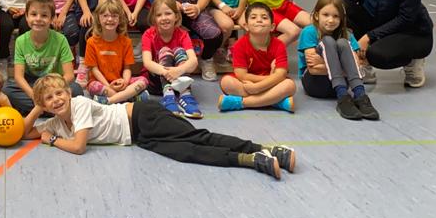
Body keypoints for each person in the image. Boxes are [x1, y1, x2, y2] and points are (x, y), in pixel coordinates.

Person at [23, 74, 295, 179]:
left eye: (59, 93)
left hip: (143, 117)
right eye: (49, 99)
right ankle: (252, 160)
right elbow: (25, 132)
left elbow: (79, 147)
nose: (56, 100)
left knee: (199, 138)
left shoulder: (79, 104)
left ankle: (269, 149)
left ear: (68, 93)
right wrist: (37, 107)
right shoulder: (56, 122)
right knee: (187, 153)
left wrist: (52, 141)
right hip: (140, 138)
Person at [298, 0, 379, 120]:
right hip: (315, 84)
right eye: (326, 15)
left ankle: (360, 96)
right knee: (328, 41)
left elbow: (357, 66)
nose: (331, 20)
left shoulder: (347, 34)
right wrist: (345, 65)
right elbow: (313, 69)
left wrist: (323, 61)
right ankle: (342, 98)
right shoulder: (309, 32)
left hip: (342, 86)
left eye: (336, 16)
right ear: (317, 15)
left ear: (341, 18)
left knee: (342, 42)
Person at [5, 0, 82, 115]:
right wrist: (34, 96)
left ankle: (42, 108)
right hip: (33, 84)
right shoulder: (20, 41)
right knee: (7, 90)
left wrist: (51, 92)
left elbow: (69, 75)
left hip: (55, 83)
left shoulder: (60, 39)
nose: (38, 19)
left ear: (52, 19)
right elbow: (18, 77)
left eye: (44, 15)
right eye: (33, 14)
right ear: (26, 17)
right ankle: (54, 108)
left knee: (76, 90)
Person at [218, 1, 297, 112]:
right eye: (253, 17)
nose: (259, 20)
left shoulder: (279, 45)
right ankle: (275, 101)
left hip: (270, 82)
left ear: (272, 27)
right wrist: (261, 84)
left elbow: (281, 74)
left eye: (264, 17)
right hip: (252, 81)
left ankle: (242, 103)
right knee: (227, 82)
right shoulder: (239, 45)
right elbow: (241, 75)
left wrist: (257, 87)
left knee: (289, 85)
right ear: (246, 26)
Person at [139, 0, 202, 119]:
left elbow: (193, 61)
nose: (164, 18)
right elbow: (147, 62)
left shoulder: (183, 34)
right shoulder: (149, 34)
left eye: (168, 13)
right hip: (157, 81)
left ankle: (185, 96)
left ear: (176, 16)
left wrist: (178, 70)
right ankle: (168, 97)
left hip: (179, 79)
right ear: (154, 18)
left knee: (179, 51)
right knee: (165, 51)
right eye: (159, 15)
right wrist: (167, 72)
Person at [84, 0, 148, 104]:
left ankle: (109, 100)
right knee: (93, 86)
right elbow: (94, 69)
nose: (110, 19)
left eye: (114, 16)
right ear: (98, 18)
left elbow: (127, 68)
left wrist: (125, 82)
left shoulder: (126, 42)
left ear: (120, 19)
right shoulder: (91, 42)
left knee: (143, 81)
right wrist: (108, 86)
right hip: (101, 83)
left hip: (120, 81)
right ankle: (127, 97)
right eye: (105, 16)